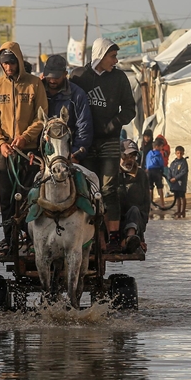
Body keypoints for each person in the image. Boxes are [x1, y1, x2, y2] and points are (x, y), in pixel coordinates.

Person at [71, 37, 136, 252]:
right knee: (88, 189)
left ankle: (114, 239)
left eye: (116, 56)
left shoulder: (119, 78)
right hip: (85, 143)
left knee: (109, 190)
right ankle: (91, 238)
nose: (115, 61)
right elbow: (68, 101)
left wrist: (112, 125)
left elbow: (129, 109)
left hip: (109, 142)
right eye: (112, 56)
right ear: (100, 55)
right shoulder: (79, 76)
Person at [0, 41, 49, 255]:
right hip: (5, 152)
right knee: (6, 198)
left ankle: (31, 241)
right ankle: (9, 240)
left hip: (29, 151)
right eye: (5, 64)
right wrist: (1, 142)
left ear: (19, 61)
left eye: (12, 62)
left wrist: (25, 137)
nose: (9, 67)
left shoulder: (34, 85)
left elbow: (41, 118)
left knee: (31, 197)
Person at [41, 54, 93, 163]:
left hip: (69, 153)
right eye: (49, 76)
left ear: (65, 74)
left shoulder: (77, 95)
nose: (52, 81)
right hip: (41, 153)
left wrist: (75, 154)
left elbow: (84, 126)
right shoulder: (37, 91)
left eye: (56, 77)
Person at [117, 140, 151, 253]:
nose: (129, 160)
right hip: (115, 223)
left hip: (135, 223)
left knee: (135, 210)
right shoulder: (112, 174)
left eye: (133, 157)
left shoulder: (141, 175)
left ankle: (130, 238)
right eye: (126, 156)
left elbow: (146, 205)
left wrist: (141, 235)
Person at [145, 138, 166, 209]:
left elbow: (147, 162)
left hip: (149, 171)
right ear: (157, 146)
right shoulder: (159, 154)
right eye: (161, 146)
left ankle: (150, 204)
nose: (161, 148)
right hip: (157, 171)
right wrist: (162, 171)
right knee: (160, 187)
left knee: (150, 188)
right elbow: (161, 163)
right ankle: (162, 204)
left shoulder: (149, 153)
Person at [168, 146, 189, 218]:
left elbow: (183, 172)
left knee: (182, 196)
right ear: (175, 153)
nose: (179, 154)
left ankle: (183, 211)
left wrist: (176, 178)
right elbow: (170, 170)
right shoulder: (173, 163)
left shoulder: (183, 163)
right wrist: (169, 178)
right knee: (177, 197)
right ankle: (178, 210)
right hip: (174, 184)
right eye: (178, 153)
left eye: (181, 153)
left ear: (183, 153)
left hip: (181, 183)